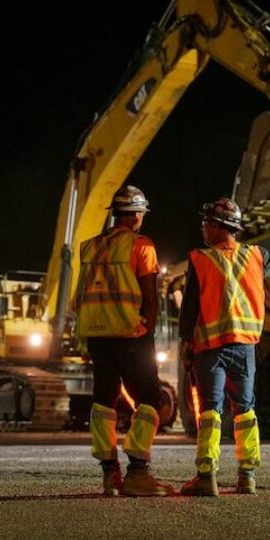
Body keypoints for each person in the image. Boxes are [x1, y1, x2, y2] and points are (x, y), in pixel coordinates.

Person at [178, 198, 270, 496]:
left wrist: (184, 344)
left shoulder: (201, 259)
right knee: (245, 411)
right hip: (245, 349)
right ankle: (248, 476)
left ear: (218, 227)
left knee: (210, 411)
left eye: (207, 222)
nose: (203, 227)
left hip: (211, 349)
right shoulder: (256, 256)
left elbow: (189, 309)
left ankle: (206, 476)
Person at [75, 184, 173, 497]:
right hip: (131, 334)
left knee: (104, 401)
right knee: (150, 399)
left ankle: (109, 474)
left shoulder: (90, 247)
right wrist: (149, 329)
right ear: (137, 215)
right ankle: (138, 472)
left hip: (97, 335)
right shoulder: (141, 245)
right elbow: (150, 297)